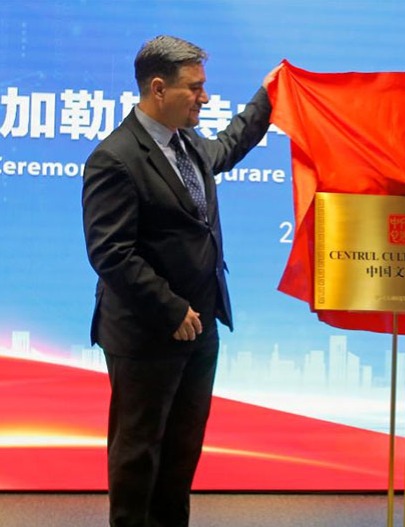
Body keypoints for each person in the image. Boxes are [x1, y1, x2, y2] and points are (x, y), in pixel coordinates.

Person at [82, 35, 279, 527]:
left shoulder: (186, 142)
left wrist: (269, 96)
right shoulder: (115, 157)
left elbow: (228, 145)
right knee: (139, 454)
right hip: (147, 332)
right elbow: (111, 252)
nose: (204, 98)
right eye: (194, 88)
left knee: (181, 453)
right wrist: (171, 308)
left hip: (201, 327)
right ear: (157, 88)